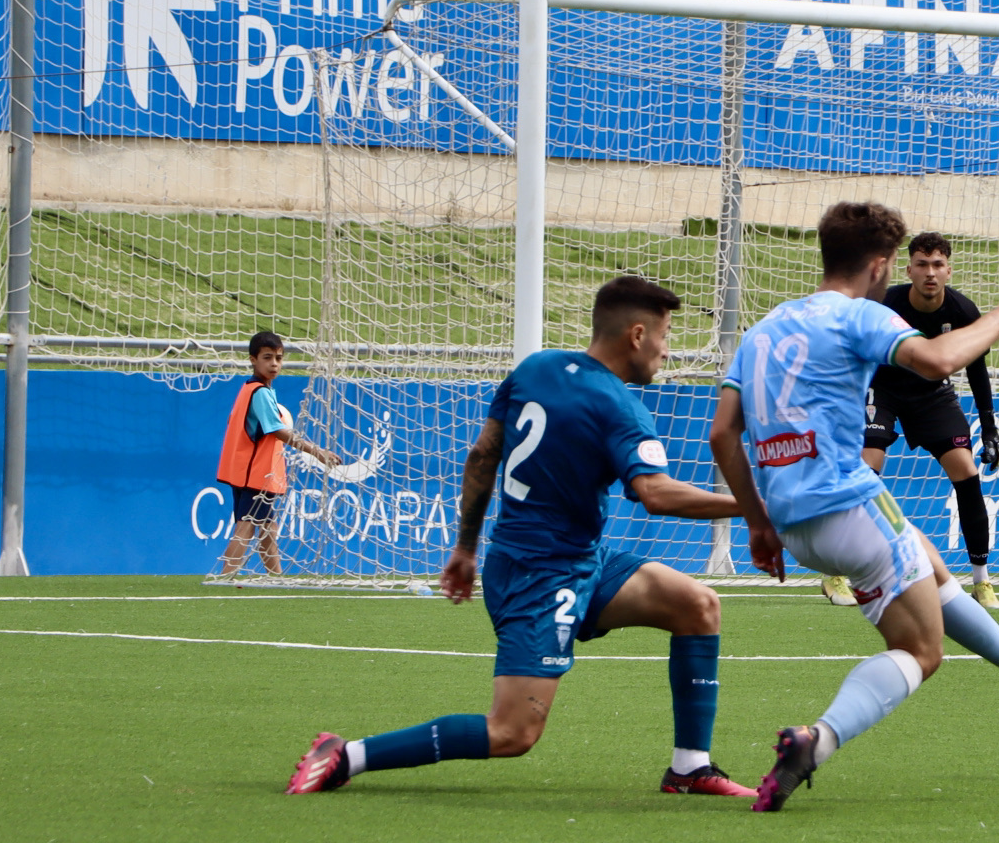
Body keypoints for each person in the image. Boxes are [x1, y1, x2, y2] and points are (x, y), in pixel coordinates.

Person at [287, 276, 755, 798]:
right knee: (512, 732)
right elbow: (657, 495)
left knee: (697, 605)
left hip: (568, 558)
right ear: (638, 335)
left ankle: (690, 768)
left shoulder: (536, 368)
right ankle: (346, 755)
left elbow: (483, 455)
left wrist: (465, 548)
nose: (669, 351)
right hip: (542, 574)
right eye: (667, 336)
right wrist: (756, 506)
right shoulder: (617, 406)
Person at [708, 201, 999, 813]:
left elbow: (722, 434)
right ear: (880, 267)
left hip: (795, 524)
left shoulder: (763, 328)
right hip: (850, 507)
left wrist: (758, 523)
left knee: (927, 560)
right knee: (922, 653)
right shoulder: (856, 316)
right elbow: (935, 360)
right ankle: (816, 741)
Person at [825, 231, 999, 610]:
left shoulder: (962, 312)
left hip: (932, 394)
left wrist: (988, 424)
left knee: (966, 471)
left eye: (938, 265)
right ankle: (836, 569)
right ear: (908, 269)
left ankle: (981, 580)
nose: (930, 272)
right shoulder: (884, 304)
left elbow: (976, 369)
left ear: (948, 270)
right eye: (922, 265)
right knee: (867, 467)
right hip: (884, 389)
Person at [216, 330, 341, 579]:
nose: (274, 364)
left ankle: (276, 577)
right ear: (253, 360)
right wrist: (317, 451)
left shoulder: (250, 389)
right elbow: (278, 431)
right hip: (256, 472)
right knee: (247, 524)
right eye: (267, 357)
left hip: (248, 471)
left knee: (267, 527)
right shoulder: (260, 392)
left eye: (278, 358)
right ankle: (225, 577)